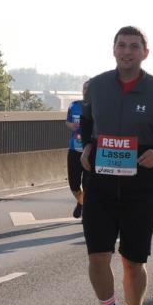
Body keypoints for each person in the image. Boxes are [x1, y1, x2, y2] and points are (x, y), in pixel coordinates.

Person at [79, 27, 153, 305]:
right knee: (98, 256)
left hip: (140, 185)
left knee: (133, 260)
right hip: (100, 183)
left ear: (144, 53)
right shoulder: (96, 87)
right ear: (113, 50)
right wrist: (86, 146)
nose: (127, 51)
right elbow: (86, 122)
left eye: (134, 46)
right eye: (122, 45)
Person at [66, 81, 90, 218]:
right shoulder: (74, 105)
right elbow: (68, 121)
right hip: (74, 149)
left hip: (90, 151)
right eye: (84, 88)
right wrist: (72, 126)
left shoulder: (97, 107)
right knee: (74, 185)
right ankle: (81, 202)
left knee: (88, 185)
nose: (86, 91)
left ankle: (86, 210)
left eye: (89, 89)